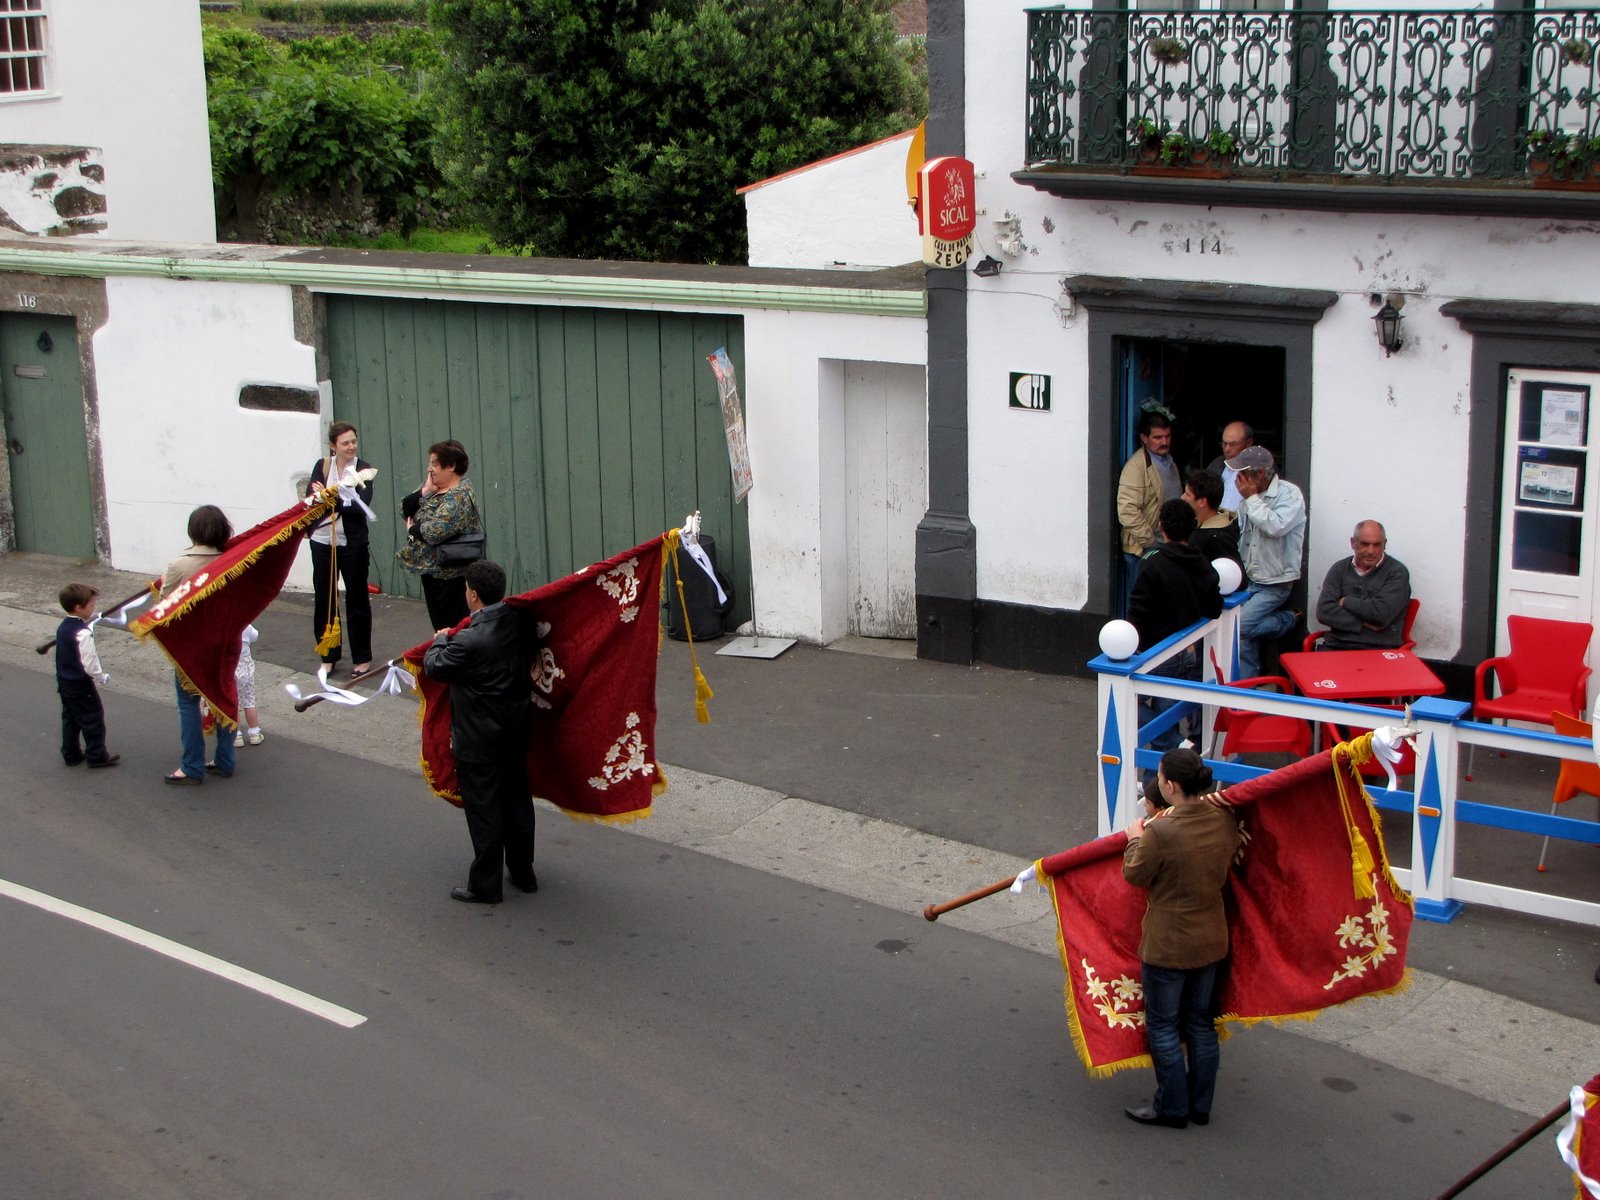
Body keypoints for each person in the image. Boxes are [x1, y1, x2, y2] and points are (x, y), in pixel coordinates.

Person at [1121, 747, 1241, 1130]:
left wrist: (1134, 838)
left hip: (1169, 943)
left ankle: (1171, 1106)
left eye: (1158, 778)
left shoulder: (1161, 831)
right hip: (1210, 937)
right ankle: (1200, 1104)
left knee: (1163, 1026)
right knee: (1200, 1024)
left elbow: (1135, 875)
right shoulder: (1223, 818)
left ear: (1171, 786)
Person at [423, 560, 536, 905]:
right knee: (517, 801)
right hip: (516, 728)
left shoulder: (469, 641)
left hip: (479, 736)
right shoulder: (520, 622)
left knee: (485, 808)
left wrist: (439, 641)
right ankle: (522, 872)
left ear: (472, 594)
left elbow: (434, 667)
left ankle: (486, 885)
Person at [1128, 500, 1223, 758]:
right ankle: (1159, 790)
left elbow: (1138, 612)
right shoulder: (1201, 561)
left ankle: (1175, 744)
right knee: (1166, 715)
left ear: (1161, 526)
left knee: (1126, 702)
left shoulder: (1152, 562)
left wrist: (1133, 647)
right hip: (1188, 651)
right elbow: (1215, 608)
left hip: (1157, 652)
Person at [161, 504, 237, 786]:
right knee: (224, 696)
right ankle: (226, 760)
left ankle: (192, 764)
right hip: (226, 640)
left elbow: (165, 607)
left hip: (193, 645)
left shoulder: (180, 565)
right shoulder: (234, 559)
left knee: (188, 702)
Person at [306, 421, 376, 676]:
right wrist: (332, 499)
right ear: (333, 446)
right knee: (324, 598)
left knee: (357, 599)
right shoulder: (322, 466)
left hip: (353, 544)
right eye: (345, 443)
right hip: (323, 541)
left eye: (354, 441)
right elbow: (311, 499)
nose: (351, 447)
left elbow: (361, 505)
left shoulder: (363, 469)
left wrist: (331, 498)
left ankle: (362, 658)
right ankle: (328, 654)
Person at [1230, 446, 1306, 679]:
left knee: (1240, 627)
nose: (1238, 479)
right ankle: (1247, 684)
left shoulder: (1289, 494)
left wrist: (1252, 499)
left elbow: (1276, 526)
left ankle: (1287, 620)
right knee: (1241, 632)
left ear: (1259, 475)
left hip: (1275, 582)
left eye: (1242, 473)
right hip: (1248, 579)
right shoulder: (1246, 502)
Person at [399, 439, 481, 630]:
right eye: (430, 464)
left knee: (452, 627)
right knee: (440, 626)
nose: (430, 469)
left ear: (451, 465)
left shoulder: (458, 496)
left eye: (435, 464)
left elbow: (434, 531)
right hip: (433, 572)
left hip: (450, 576)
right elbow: (405, 507)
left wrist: (412, 529)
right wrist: (425, 490)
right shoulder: (436, 489)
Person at [1313, 520, 1411, 651]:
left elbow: (1380, 614)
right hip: (1337, 646)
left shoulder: (1397, 572)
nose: (1371, 551)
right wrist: (1363, 623)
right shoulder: (1339, 569)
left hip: (1380, 649)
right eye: (1365, 544)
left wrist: (1346, 601)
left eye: (1377, 545)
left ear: (1385, 544)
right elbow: (1324, 612)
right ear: (1353, 543)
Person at [55, 582, 119, 769]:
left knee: (70, 718)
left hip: (65, 681)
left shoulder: (63, 627)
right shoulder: (82, 633)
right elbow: (89, 663)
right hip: (81, 684)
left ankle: (71, 753)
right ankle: (96, 755)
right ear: (78, 608)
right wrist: (101, 677)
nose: (94, 607)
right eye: (91, 605)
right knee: (93, 718)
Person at [1118, 411, 1182, 586]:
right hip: (1143, 550)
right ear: (1144, 438)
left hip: (1165, 543)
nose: (1165, 442)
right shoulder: (1136, 468)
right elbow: (1127, 511)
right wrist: (1151, 542)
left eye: (1168, 436)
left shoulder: (1168, 462)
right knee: (1142, 601)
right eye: (1158, 437)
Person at [1182, 468, 1240, 567]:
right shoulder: (1226, 525)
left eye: (1187, 494)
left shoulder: (1215, 539)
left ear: (1202, 502)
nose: (1182, 497)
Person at [1206, 421, 1255, 513]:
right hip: (1216, 523)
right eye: (1224, 444)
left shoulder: (1260, 470)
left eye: (1233, 444)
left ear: (1248, 443)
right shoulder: (1216, 465)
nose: (1227, 449)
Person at [232, 624, 264, 748]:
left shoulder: (223, 625)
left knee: (233, 704)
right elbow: (255, 636)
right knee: (249, 702)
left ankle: (236, 735)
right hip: (246, 669)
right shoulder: (245, 624)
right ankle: (255, 733)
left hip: (231, 668)